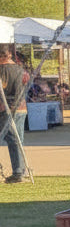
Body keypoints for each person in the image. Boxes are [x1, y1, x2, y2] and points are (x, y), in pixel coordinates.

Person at [0, 45, 31, 183]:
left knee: (12, 139)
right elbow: (24, 84)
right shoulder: (20, 70)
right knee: (18, 139)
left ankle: (19, 171)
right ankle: (20, 170)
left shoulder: (3, 69)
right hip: (20, 107)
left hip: (8, 107)